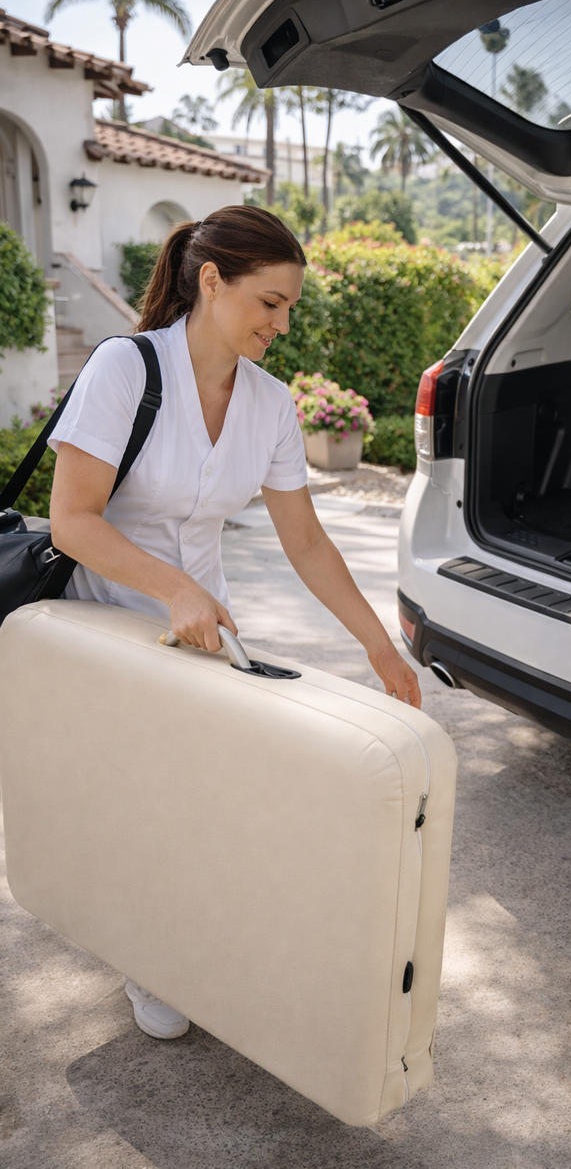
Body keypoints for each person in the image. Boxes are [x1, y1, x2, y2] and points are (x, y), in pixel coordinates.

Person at [48, 205, 421, 1040]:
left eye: (291, 307)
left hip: (206, 643)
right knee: (142, 806)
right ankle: (151, 956)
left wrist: (377, 645)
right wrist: (173, 586)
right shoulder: (124, 369)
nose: (282, 324)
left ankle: (186, 948)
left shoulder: (270, 404)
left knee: (203, 802)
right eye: (270, 302)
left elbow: (308, 541)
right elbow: (72, 519)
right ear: (211, 282)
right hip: (105, 627)